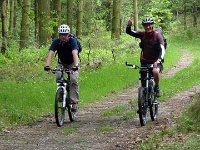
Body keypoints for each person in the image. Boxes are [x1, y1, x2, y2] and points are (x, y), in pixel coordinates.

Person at [126, 17, 165, 97]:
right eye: (145, 25)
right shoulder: (142, 34)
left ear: (152, 25)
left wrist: (159, 60)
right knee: (143, 81)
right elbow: (129, 32)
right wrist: (129, 25)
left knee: (155, 72)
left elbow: (162, 48)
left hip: (156, 61)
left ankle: (157, 87)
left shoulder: (157, 35)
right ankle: (143, 101)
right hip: (145, 61)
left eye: (149, 25)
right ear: (143, 26)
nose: (148, 27)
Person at [44, 24, 80, 104]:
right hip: (62, 63)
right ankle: (60, 95)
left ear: (68, 35)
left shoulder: (72, 41)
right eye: (61, 35)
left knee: (73, 79)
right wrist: (47, 65)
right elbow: (51, 53)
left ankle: (74, 101)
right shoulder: (56, 41)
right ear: (59, 35)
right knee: (58, 77)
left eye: (65, 35)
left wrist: (76, 65)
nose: (63, 37)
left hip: (72, 63)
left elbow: (75, 52)